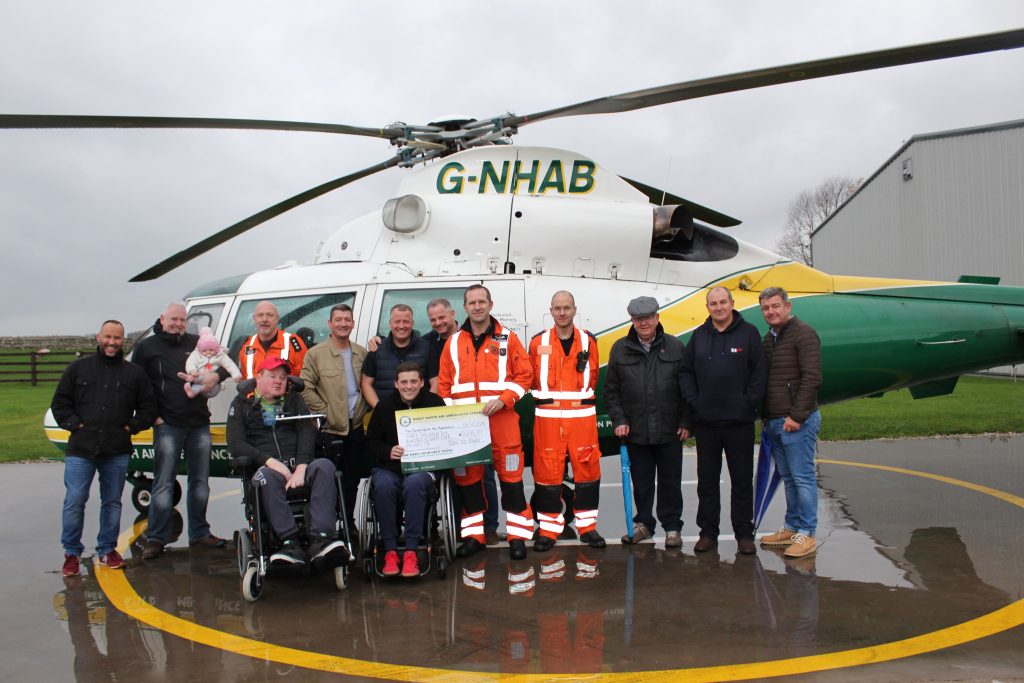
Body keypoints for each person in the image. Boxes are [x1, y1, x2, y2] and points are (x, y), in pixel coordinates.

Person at [52, 320, 158, 576]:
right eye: (108, 337)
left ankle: (107, 549)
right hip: (81, 449)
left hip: (116, 449)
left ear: (123, 341)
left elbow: (148, 408)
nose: (112, 342)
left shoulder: (134, 373)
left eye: (117, 338)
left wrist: (131, 428)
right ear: (99, 337)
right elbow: (60, 404)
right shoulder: (78, 369)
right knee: (75, 501)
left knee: (112, 502)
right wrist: (74, 425)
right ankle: (71, 553)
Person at [438, 284, 534, 560]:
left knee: (512, 481)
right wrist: (454, 415)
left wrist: (504, 400)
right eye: (472, 302)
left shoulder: (508, 338)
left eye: (482, 301)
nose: (477, 306)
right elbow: (444, 385)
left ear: (490, 305)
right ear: (465, 307)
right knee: (468, 482)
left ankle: (517, 537)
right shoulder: (453, 343)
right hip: (466, 427)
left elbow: (524, 376)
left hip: (502, 421)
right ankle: (474, 536)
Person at [227, 356, 349, 571]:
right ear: (258, 377)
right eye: (272, 376)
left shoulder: (294, 400)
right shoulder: (242, 404)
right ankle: (288, 542)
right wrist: (270, 462)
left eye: (283, 378)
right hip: (267, 469)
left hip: (299, 465)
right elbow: (236, 444)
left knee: (325, 466)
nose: (278, 381)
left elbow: (306, 432)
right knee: (266, 476)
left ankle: (321, 539)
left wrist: (301, 466)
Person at [132, 303, 229, 559]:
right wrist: (153, 417)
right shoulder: (146, 348)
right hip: (168, 426)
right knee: (163, 484)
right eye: (173, 319)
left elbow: (226, 362)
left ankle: (199, 532)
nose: (178, 324)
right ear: (162, 319)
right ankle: (156, 538)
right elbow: (137, 385)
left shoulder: (197, 342)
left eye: (182, 320)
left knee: (200, 484)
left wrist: (216, 377)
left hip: (198, 423)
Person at [680, 286, 766, 555]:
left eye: (723, 302)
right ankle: (708, 533)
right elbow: (685, 372)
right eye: (713, 303)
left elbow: (759, 374)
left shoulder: (749, 333)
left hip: (739, 423)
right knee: (707, 482)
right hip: (707, 424)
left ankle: (743, 534)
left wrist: (746, 402)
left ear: (732, 303)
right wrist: (696, 401)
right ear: (708, 307)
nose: (718, 307)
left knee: (741, 481)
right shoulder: (699, 336)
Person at [604, 296, 688, 548]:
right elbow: (611, 391)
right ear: (632, 320)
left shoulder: (675, 347)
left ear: (657, 318)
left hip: (670, 430)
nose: (644, 323)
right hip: (636, 431)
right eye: (638, 319)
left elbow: (687, 388)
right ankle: (643, 524)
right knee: (641, 482)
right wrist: (619, 419)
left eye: (648, 317)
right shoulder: (620, 349)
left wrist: (686, 421)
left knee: (670, 481)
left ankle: (672, 527)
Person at [528, 290, 606, 551]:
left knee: (587, 473)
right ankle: (548, 530)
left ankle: (588, 528)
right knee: (547, 475)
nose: (562, 313)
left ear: (574, 310)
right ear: (550, 311)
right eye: (557, 308)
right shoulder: (537, 342)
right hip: (548, 422)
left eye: (566, 308)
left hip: (582, 421)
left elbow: (592, 379)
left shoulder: (589, 342)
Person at [424, 297, 503, 546]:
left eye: (442, 317)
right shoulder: (427, 343)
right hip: (448, 417)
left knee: (485, 475)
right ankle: (462, 527)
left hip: (477, 418)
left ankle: (488, 526)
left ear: (453, 314)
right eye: (433, 319)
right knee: (458, 477)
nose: (438, 323)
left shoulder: (467, 336)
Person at [758, 286, 823, 559]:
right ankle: (791, 527)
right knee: (789, 478)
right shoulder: (769, 339)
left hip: (796, 421)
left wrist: (797, 416)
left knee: (802, 477)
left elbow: (812, 378)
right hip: (775, 421)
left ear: (787, 306)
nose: (771, 312)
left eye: (775, 306)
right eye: (766, 308)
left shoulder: (803, 334)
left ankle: (806, 533)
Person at [365, 362, 446, 577]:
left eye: (413, 381)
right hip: (390, 467)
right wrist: (387, 451)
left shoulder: (435, 403)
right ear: (396, 384)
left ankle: (411, 551)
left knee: (414, 483)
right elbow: (371, 441)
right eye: (404, 382)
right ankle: (390, 550)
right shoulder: (384, 406)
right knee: (382, 485)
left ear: (422, 383)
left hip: (423, 467)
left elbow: (447, 437)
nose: (408, 386)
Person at [300, 303, 368, 534]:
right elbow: (305, 387)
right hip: (329, 430)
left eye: (347, 320)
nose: (343, 324)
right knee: (327, 483)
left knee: (352, 482)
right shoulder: (316, 354)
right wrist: (325, 411)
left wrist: (363, 407)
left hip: (356, 427)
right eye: (338, 319)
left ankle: (349, 526)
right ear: (330, 323)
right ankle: (326, 528)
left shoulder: (361, 353)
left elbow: (367, 386)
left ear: (353, 323)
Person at [361, 304, 438, 408]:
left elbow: (436, 382)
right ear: (390, 323)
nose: (401, 326)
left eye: (406, 321)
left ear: (412, 323)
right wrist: (380, 409)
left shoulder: (427, 348)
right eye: (397, 321)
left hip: (420, 417)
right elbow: (366, 384)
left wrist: (426, 409)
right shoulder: (376, 349)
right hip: (386, 417)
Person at [237, 300, 308, 379]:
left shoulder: (292, 343)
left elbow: (305, 380)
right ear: (254, 318)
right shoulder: (246, 346)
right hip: (254, 391)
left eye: (270, 315)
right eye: (260, 315)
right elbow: (243, 381)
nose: (264, 319)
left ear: (277, 318)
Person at [178, 326, 242, 399]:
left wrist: (236, 375)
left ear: (216, 348)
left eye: (211, 349)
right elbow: (190, 363)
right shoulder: (196, 355)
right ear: (200, 350)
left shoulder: (221, 355)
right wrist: (192, 371)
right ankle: (190, 381)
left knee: (202, 386)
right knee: (197, 379)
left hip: (214, 384)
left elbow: (230, 365)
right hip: (199, 376)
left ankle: (192, 383)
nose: (208, 352)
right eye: (204, 350)